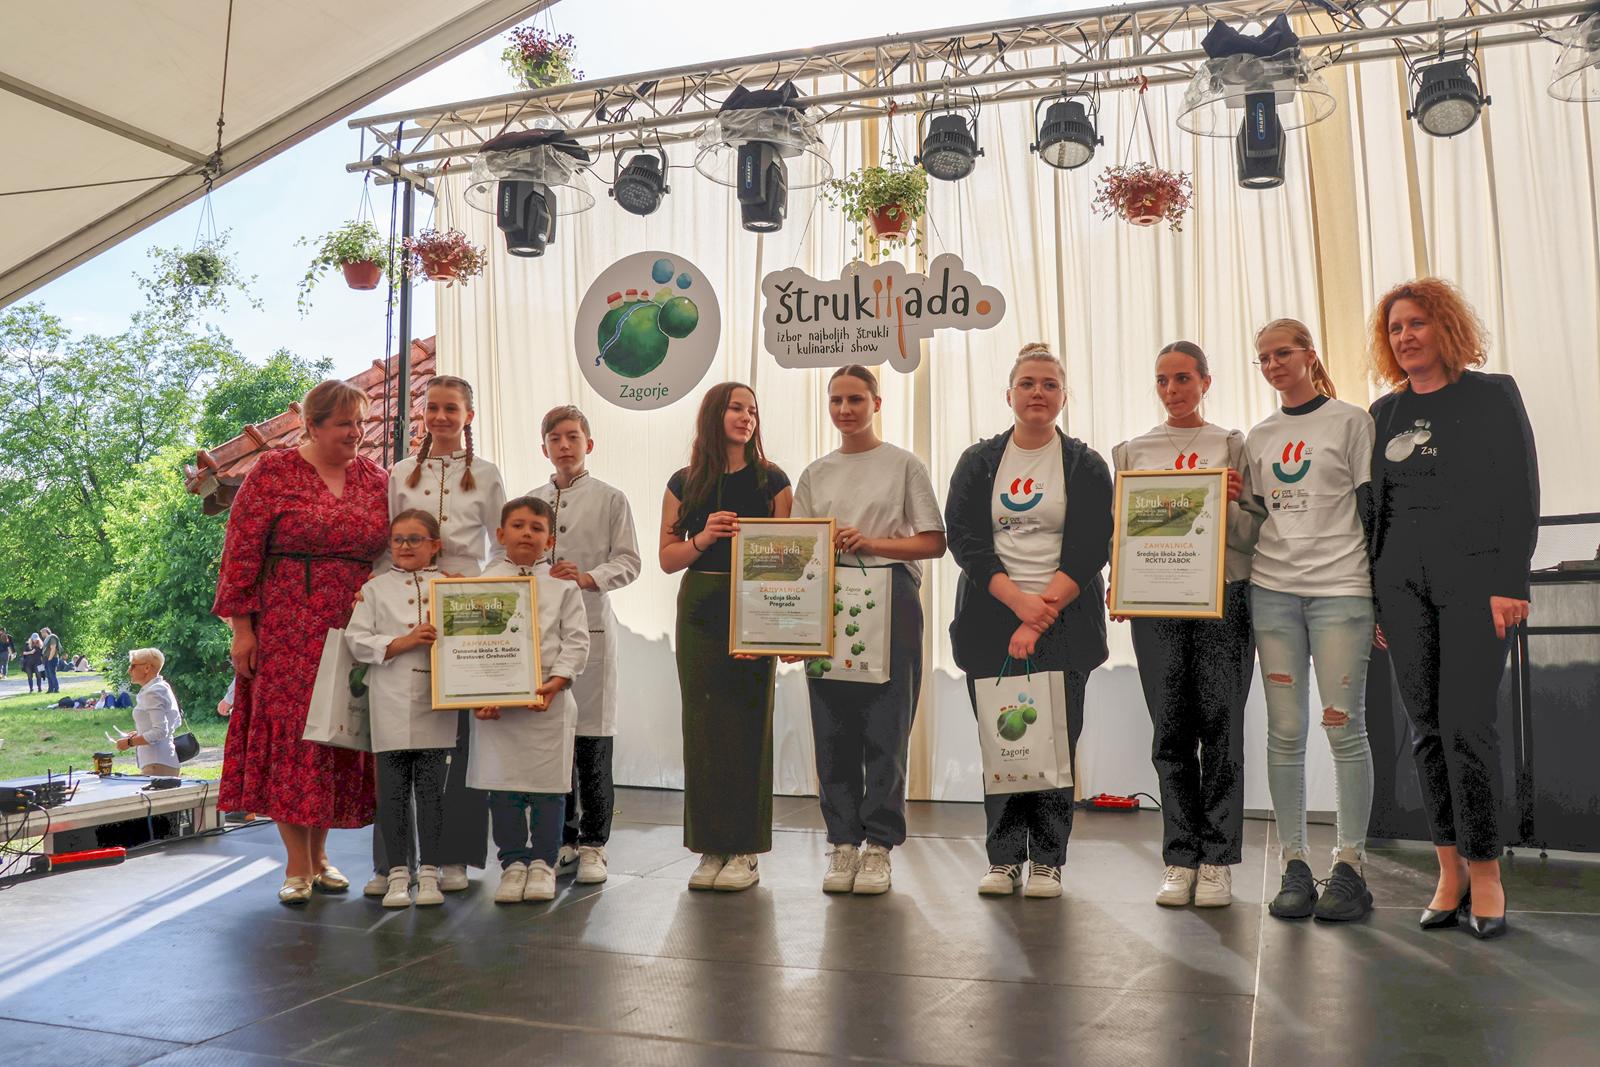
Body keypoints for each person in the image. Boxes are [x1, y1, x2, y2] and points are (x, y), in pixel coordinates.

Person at [1366, 278, 1538, 940]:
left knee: (1468, 726)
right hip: (1400, 586)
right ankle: (1449, 869)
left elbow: (1519, 490)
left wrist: (1510, 581)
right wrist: (1376, 598)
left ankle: (1487, 870)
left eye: (1417, 322)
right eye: (1395, 327)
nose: (1405, 336)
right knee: (1426, 730)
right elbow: (1375, 511)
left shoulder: (1492, 395)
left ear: (1445, 327)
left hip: (1475, 584)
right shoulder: (1384, 412)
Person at [945, 342, 1113, 899]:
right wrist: (1018, 604)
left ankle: (1047, 859)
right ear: (1009, 395)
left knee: (1055, 745)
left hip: (1064, 620)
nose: (1038, 393)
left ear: (1063, 396)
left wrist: (1037, 616)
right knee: (1005, 743)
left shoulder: (1086, 464)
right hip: (991, 621)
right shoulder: (978, 461)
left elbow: (1092, 546)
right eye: (1028, 383)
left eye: (1049, 384)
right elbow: (965, 540)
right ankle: (1002, 859)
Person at [214, 379, 390, 905]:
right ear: (312, 426)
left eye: (360, 423)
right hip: (287, 626)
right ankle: (296, 864)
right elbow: (241, 553)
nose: (356, 433)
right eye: (344, 424)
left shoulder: (376, 478)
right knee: (293, 739)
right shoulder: (273, 472)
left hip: (354, 626)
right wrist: (242, 629)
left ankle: (320, 857)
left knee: (334, 734)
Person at [1111, 341, 1262, 908]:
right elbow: (1123, 531)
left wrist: (1235, 501)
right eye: (1162, 380)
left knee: (1222, 729)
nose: (1172, 390)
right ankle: (1180, 857)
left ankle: (1218, 859)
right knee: (1170, 732)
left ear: (1205, 382)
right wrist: (1120, 581)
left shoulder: (1231, 444)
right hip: (1156, 607)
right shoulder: (1133, 451)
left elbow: (1251, 534)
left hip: (1224, 599)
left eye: (1182, 378)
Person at [791, 366, 946, 895]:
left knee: (887, 725)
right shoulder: (815, 474)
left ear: (876, 404)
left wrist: (872, 542)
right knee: (831, 727)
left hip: (892, 597)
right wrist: (793, 629)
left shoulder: (903, 465)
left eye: (855, 399)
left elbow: (933, 541)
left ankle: (879, 845)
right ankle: (842, 842)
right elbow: (800, 551)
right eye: (836, 400)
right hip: (829, 602)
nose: (845, 410)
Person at [1244, 318, 1378, 923]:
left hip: (1341, 591)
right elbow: (1255, 514)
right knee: (1285, 730)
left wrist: (1382, 597)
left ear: (1309, 355)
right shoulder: (1260, 436)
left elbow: (1372, 510)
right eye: (1264, 358)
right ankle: (1294, 863)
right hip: (1272, 591)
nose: (1274, 365)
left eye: (1283, 353)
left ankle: (1350, 865)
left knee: (1344, 728)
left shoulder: (1351, 421)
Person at [365, 375, 505, 898]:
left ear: (468, 416)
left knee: (461, 741)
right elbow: (388, 543)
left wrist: (483, 590)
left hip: (464, 605)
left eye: (451, 409)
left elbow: (500, 546)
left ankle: (454, 856)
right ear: (422, 414)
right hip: (403, 604)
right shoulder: (401, 472)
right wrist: (376, 590)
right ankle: (391, 863)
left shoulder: (486, 474)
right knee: (396, 741)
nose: (441, 417)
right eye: (433, 408)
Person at [660, 382, 792, 892]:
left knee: (749, 724)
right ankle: (710, 848)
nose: (746, 417)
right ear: (714, 414)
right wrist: (703, 537)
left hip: (755, 607)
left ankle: (745, 850)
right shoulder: (684, 481)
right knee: (702, 726)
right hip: (699, 606)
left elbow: (789, 556)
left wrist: (779, 628)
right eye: (737, 408)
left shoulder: (772, 480)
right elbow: (667, 558)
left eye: (753, 410)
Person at [530, 405, 641, 886]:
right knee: (553, 741)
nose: (564, 445)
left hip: (592, 629)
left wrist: (589, 577)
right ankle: (563, 839)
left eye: (573, 436)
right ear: (544, 447)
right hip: (542, 636)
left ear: (588, 444)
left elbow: (630, 562)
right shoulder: (531, 502)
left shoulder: (611, 499)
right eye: (555, 438)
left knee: (592, 742)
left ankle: (595, 843)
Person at [474, 497, 590, 904]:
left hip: (548, 704)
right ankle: (513, 863)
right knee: (502, 786)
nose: (527, 533)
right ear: (500, 534)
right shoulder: (479, 585)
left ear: (550, 539)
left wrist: (556, 682)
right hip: (497, 709)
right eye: (518, 525)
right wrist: (478, 694)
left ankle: (543, 863)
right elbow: (467, 645)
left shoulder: (563, 586)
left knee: (548, 788)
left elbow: (576, 640)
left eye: (537, 528)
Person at [346, 510, 459, 909]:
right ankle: (397, 872)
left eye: (415, 539)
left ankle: (429, 872)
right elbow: (357, 640)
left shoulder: (451, 586)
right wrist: (404, 641)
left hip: (438, 704)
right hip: (390, 701)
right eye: (398, 539)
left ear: (435, 545)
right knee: (392, 793)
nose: (406, 546)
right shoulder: (374, 589)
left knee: (432, 793)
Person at [115, 648, 184, 776]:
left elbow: (160, 731)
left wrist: (129, 743)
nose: (129, 670)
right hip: (160, 762)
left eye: (133, 666)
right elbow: (174, 722)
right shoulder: (160, 687)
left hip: (157, 764)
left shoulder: (153, 692)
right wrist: (141, 732)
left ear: (147, 668)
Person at [40, 627, 60, 693]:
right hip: (46, 659)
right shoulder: (46, 640)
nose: (42, 634)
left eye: (42, 633)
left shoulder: (52, 638)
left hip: (52, 658)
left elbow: (53, 648)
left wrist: (49, 659)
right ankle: (50, 689)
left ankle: (56, 688)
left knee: (52, 674)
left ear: (46, 632)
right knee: (48, 675)